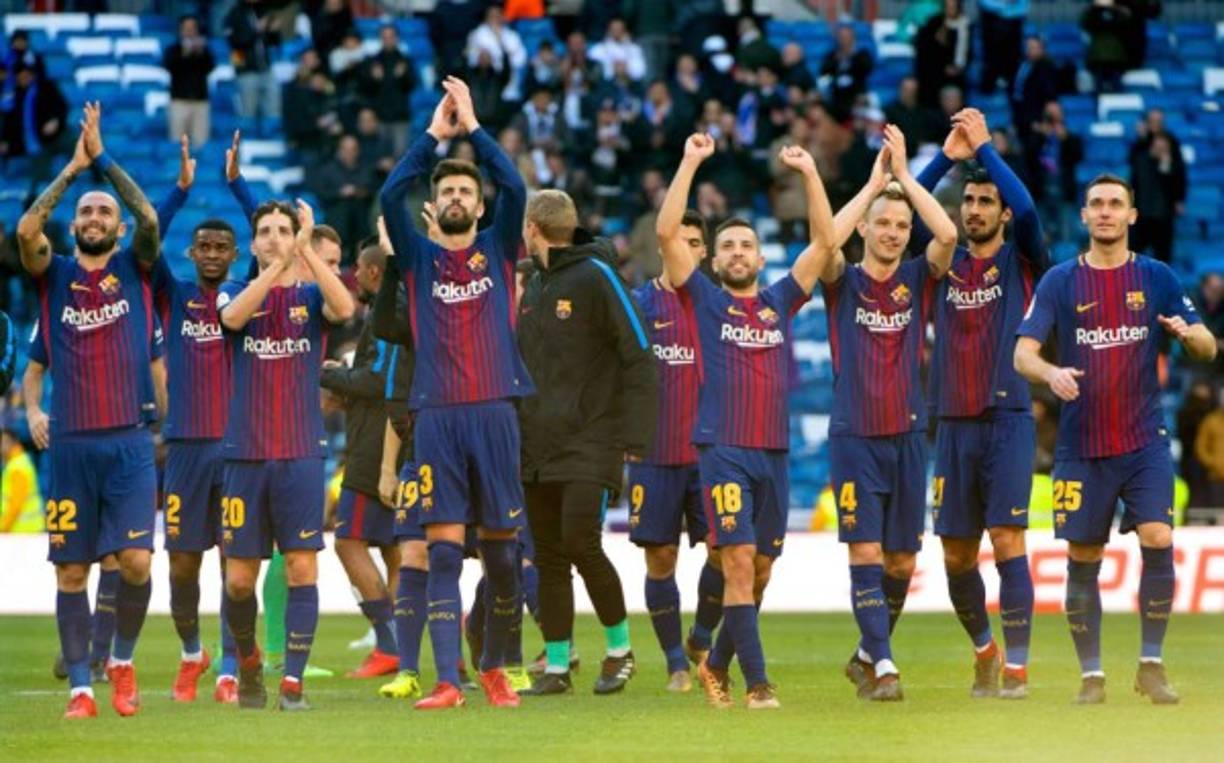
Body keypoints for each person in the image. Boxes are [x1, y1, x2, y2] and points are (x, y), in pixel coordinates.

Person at [1014, 173, 1218, 704]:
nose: (1105, 212)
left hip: (1144, 441)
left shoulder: (1157, 277)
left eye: (1115, 204)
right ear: (1084, 215)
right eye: (1096, 204)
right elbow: (1022, 354)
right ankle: (1092, 676)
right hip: (1081, 446)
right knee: (1084, 555)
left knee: (1158, 538)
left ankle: (1151, 664)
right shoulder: (1060, 281)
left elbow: (1208, 346)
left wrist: (1189, 336)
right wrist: (1050, 373)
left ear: (1131, 215)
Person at [661, 134, 836, 710]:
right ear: (713, 261)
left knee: (760, 572)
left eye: (746, 246)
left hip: (773, 454)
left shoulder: (780, 301)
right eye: (727, 247)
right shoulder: (704, 300)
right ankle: (758, 685)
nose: (737, 253)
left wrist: (810, 174)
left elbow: (825, 243)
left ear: (761, 260)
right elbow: (667, 233)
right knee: (736, 562)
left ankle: (715, 663)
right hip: (723, 450)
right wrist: (690, 161)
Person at [378, 77, 532, 710]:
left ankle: (493, 665)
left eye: (466, 190)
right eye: (446, 191)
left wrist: (474, 129)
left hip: (495, 412)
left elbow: (516, 187)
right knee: (441, 552)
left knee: (502, 556)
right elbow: (390, 193)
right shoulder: (417, 258)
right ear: (435, 204)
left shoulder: (499, 247)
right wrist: (433, 137)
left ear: (479, 204)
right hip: (437, 417)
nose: (457, 197)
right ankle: (447, 681)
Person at [17, 103, 162, 719]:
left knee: (135, 563)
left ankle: (121, 662)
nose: (95, 218)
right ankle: (81, 689)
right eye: (86, 213)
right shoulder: (52, 278)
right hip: (71, 446)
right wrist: (73, 171)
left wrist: (102, 160)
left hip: (128, 442)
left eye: (104, 213)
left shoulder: (135, 267)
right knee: (71, 574)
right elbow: (27, 229)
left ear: (118, 230)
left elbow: (149, 215)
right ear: (73, 226)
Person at [913, 109, 1048, 699]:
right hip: (953, 423)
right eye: (968, 200)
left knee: (1009, 541)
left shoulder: (1022, 260)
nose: (973, 210)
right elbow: (905, 212)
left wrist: (986, 149)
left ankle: (1017, 667)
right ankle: (984, 652)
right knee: (956, 554)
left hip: (1009, 418)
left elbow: (1033, 213)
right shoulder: (942, 262)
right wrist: (946, 158)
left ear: (1002, 213)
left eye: (985, 201)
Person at [825, 125, 957, 702]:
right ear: (864, 226)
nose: (893, 233)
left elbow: (947, 233)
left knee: (901, 562)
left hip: (907, 435)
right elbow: (825, 242)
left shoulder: (916, 279)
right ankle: (883, 665)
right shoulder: (842, 281)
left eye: (902, 226)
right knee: (866, 551)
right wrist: (873, 186)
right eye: (883, 222)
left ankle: (865, 653)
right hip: (855, 436)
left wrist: (904, 178)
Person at [514, 190, 658, 696]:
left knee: (580, 543)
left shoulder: (597, 275)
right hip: (536, 443)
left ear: (532, 228)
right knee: (549, 556)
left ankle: (620, 651)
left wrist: (635, 436)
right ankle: (557, 665)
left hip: (592, 439)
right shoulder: (534, 286)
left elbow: (639, 352)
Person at [215, 198, 355, 712]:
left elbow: (346, 310)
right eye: (266, 231)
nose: (274, 237)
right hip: (246, 456)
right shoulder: (235, 290)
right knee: (238, 581)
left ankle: (293, 682)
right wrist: (276, 267)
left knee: (301, 568)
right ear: (252, 243)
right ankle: (249, 662)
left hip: (300, 452)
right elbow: (231, 318)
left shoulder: (312, 296)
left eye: (283, 230)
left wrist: (307, 251)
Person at [148, 137, 241, 704]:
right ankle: (192, 654)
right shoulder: (172, 295)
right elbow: (144, 240)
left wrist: (238, 185)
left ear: (235, 255)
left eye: (221, 247)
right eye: (203, 246)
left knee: (235, 566)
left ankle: (229, 668)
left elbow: (278, 238)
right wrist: (180, 191)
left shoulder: (247, 299)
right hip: (183, 450)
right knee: (182, 565)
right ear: (189, 253)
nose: (210, 254)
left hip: (235, 452)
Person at [628, 203, 725, 693]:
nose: (684, 251)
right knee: (660, 557)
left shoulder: (720, 305)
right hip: (654, 454)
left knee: (725, 553)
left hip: (711, 455)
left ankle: (701, 637)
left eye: (693, 243)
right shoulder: (638, 304)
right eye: (676, 242)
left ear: (704, 252)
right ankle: (675, 664)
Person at [321, 239, 409, 679]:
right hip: (385, 437)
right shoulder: (389, 309)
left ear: (374, 272)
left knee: (348, 541)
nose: (352, 275)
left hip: (376, 445)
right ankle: (399, 647)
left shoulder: (388, 312)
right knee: (394, 548)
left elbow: (379, 381)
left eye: (356, 267)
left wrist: (332, 375)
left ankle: (389, 643)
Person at [358, 25, 416, 158]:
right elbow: (364, 88)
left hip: (400, 118)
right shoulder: (372, 61)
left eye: (391, 37)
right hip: (379, 117)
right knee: (379, 157)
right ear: (380, 39)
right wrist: (373, 78)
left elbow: (412, 85)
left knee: (400, 158)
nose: (388, 40)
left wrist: (403, 77)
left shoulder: (405, 61)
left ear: (397, 38)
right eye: (385, 37)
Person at [224, 0, 281, 131]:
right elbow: (234, 43)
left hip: (266, 68)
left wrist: (274, 32)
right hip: (245, 70)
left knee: (274, 109)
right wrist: (256, 29)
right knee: (248, 112)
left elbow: (274, 43)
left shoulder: (262, 11)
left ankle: (271, 137)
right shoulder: (234, 14)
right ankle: (247, 139)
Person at [162, 15, 215, 146]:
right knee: (178, 143)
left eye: (193, 28)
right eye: (186, 28)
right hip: (179, 101)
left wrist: (200, 52)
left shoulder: (204, 50)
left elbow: (211, 66)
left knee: (201, 142)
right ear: (181, 30)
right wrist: (185, 53)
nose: (190, 31)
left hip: (200, 102)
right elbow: (169, 66)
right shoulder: (173, 49)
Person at [914, 0, 972, 108]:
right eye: (947, 6)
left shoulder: (965, 25)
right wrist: (937, 42)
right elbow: (923, 50)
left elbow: (968, 53)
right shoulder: (934, 23)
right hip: (934, 73)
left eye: (953, 7)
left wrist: (958, 68)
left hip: (957, 76)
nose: (950, 10)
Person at [1010, 36, 1059, 144]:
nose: (1030, 50)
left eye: (1033, 47)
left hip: (1036, 117)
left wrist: (1043, 121)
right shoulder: (1022, 64)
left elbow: (1049, 96)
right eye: (1028, 47)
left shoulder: (1046, 67)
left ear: (1041, 49)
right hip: (1021, 115)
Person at [820, 24, 873, 120]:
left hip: (856, 94)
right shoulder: (831, 56)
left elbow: (867, 69)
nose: (844, 40)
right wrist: (837, 59)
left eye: (847, 37)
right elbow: (824, 74)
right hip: (836, 96)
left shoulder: (862, 55)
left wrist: (851, 55)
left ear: (853, 38)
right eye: (842, 37)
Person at [978, 0, 1028, 94]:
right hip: (991, 20)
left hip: (1013, 21)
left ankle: (1009, 83)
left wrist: (1006, 8)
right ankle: (990, 83)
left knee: (1013, 56)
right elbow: (984, 2)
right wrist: (1004, 4)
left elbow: (1023, 7)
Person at [1, 422, 43, 532]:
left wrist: (2, 527)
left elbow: (15, 506)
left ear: (9, 443)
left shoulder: (17, 467)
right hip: (26, 531)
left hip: (25, 532)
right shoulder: (16, 462)